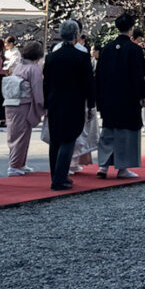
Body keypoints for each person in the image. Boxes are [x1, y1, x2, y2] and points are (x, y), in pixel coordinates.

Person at [95, 13, 145, 179]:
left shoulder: (107, 49)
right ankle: (123, 168)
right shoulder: (135, 50)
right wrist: (144, 92)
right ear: (131, 29)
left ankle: (103, 166)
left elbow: (99, 75)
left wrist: (99, 97)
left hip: (109, 97)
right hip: (128, 98)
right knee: (126, 133)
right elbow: (140, 76)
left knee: (108, 131)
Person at [43, 20, 95, 191]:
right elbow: (88, 83)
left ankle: (56, 175)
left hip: (54, 101)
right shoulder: (81, 57)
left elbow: (46, 83)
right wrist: (91, 104)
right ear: (76, 35)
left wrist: (46, 104)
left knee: (55, 139)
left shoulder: (51, 57)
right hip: (74, 101)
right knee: (69, 138)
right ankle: (60, 179)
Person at [2, 40, 44, 176]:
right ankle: (14, 166)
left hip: (10, 103)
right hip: (23, 104)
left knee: (15, 134)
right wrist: (42, 105)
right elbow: (37, 90)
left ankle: (20, 163)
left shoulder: (19, 66)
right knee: (21, 135)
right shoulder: (34, 69)